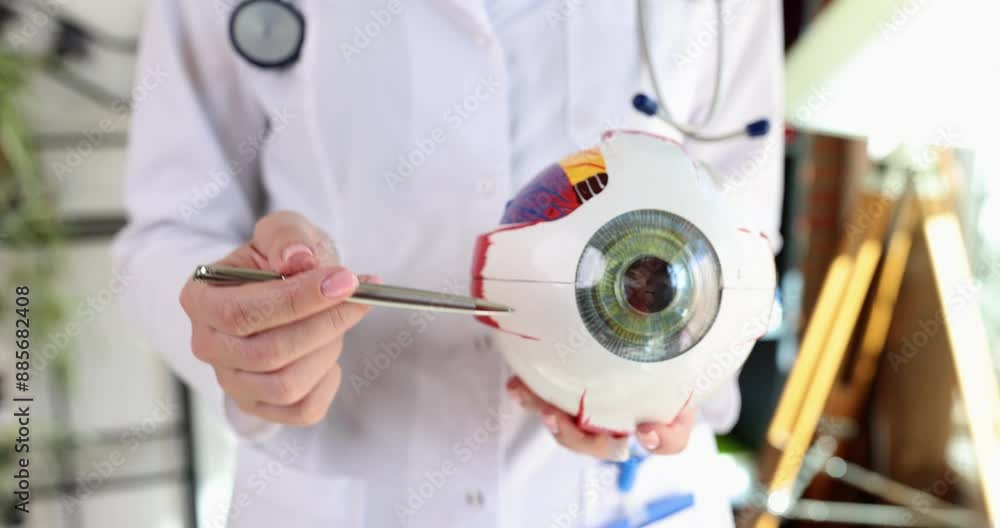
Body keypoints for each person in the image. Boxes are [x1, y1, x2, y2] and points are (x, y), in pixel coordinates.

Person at [113, 1, 783, 526]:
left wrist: (680, 388)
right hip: (344, 478)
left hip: (621, 496)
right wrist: (244, 335)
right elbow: (171, 228)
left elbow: (745, 240)